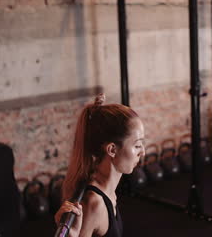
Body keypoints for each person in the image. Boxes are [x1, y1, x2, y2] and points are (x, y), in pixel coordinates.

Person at [54, 93, 145, 237]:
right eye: (137, 145)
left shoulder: (109, 192)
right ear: (112, 150)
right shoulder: (93, 203)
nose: (143, 152)